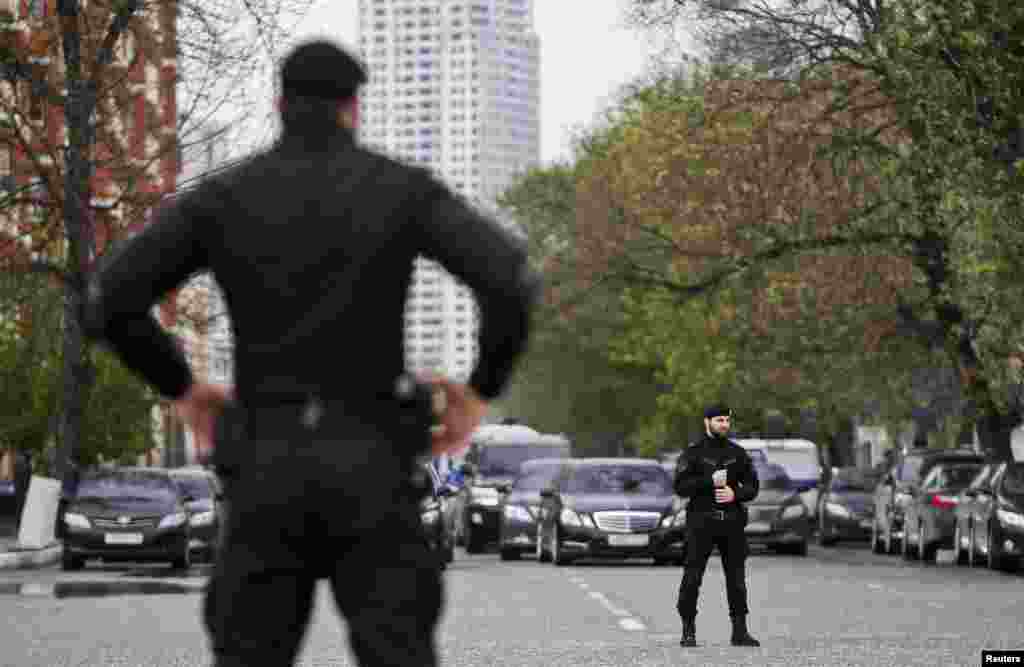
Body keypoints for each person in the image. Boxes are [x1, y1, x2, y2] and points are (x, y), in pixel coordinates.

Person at [83, 39, 540, 667]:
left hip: (265, 464)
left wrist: (182, 386)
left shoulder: (224, 199)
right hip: (375, 461)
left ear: (279, 105)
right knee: (397, 651)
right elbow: (510, 280)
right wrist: (480, 388)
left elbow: (111, 299)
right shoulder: (401, 191)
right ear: (353, 108)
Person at [674, 403, 761, 648]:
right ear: (707, 422)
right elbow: (680, 487)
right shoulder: (693, 453)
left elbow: (753, 487)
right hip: (701, 523)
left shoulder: (738, 453)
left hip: (731, 523)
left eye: (726, 420)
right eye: (719, 420)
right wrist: (707, 482)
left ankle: (740, 631)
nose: (723, 424)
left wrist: (736, 494)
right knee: (692, 577)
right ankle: (688, 630)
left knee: (736, 579)